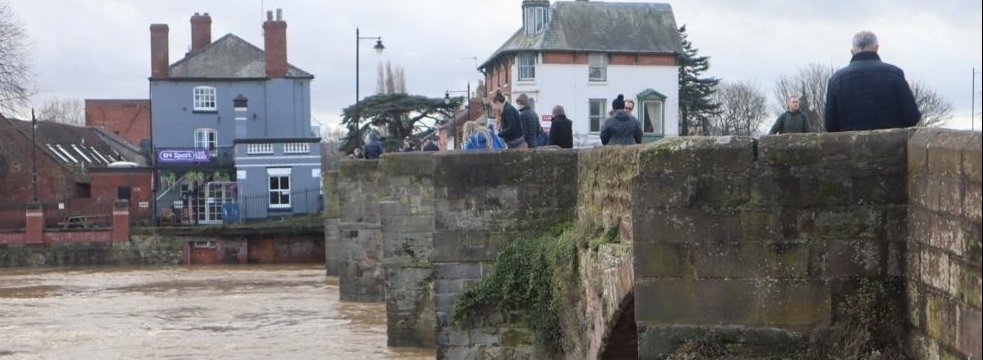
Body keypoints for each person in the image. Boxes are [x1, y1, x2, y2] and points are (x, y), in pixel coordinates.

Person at [824, 30, 921, 132]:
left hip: (851, 145)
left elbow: (830, 125)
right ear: (876, 48)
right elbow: (912, 117)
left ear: (852, 52)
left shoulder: (836, 80)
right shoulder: (895, 74)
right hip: (891, 145)